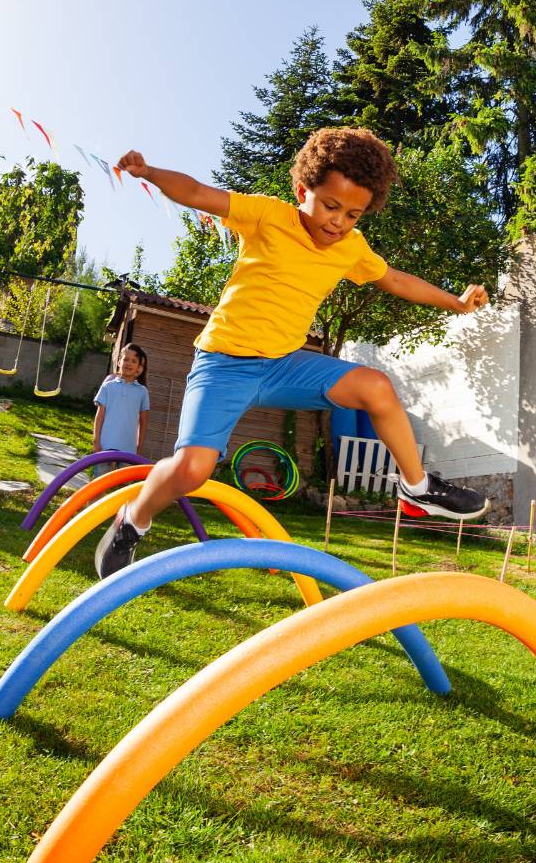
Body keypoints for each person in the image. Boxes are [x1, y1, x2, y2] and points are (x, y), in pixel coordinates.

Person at [94, 128, 491, 580]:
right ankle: (134, 520)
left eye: (353, 214)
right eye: (330, 206)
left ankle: (416, 487)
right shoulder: (267, 215)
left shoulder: (350, 248)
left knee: (376, 387)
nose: (338, 222)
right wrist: (150, 173)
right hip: (224, 364)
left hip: (284, 365)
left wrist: (456, 303)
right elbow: (200, 192)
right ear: (304, 191)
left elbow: (397, 280)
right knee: (193, 469)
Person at [92, 343, 150, 476]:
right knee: (98, 484)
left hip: (129, 448)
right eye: (126, 359)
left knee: (124, 485)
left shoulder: (142, 392)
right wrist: (96, 442)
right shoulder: (108, 386)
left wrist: (139, 449)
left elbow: (144, 422)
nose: (129, 363)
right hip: (105, 445)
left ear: (139, 367)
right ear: (119, 362)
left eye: (134, 361)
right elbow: (99, 415)